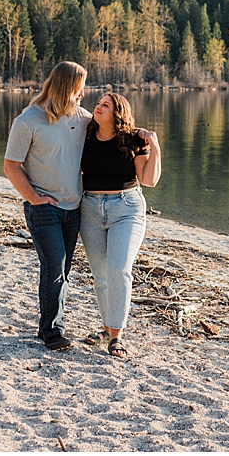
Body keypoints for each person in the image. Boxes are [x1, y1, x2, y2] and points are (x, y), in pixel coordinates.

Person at [3, 61, 90, 351]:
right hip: (44, 208)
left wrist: (140, 134)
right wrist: (34, 198)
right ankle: (52, 330)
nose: (84, 93)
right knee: (54, 265)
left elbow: (112, 130)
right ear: (68, 88)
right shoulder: (28, 120)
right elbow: (11, 166)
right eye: (80, 87)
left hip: (73, 208)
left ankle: (51, 325)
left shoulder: (82, 117)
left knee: (64, 270)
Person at [78, 93, 162, 358]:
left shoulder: (133, 140)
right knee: (101, 276)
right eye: (99, 103)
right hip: (90, 208)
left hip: (126, 209)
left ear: (118, 113)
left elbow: (148, 180)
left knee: (119, 269)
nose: (98, 107)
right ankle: (107, 327)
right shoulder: (85, 135)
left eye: (105, 105)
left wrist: (155, 148)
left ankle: (117, 336)